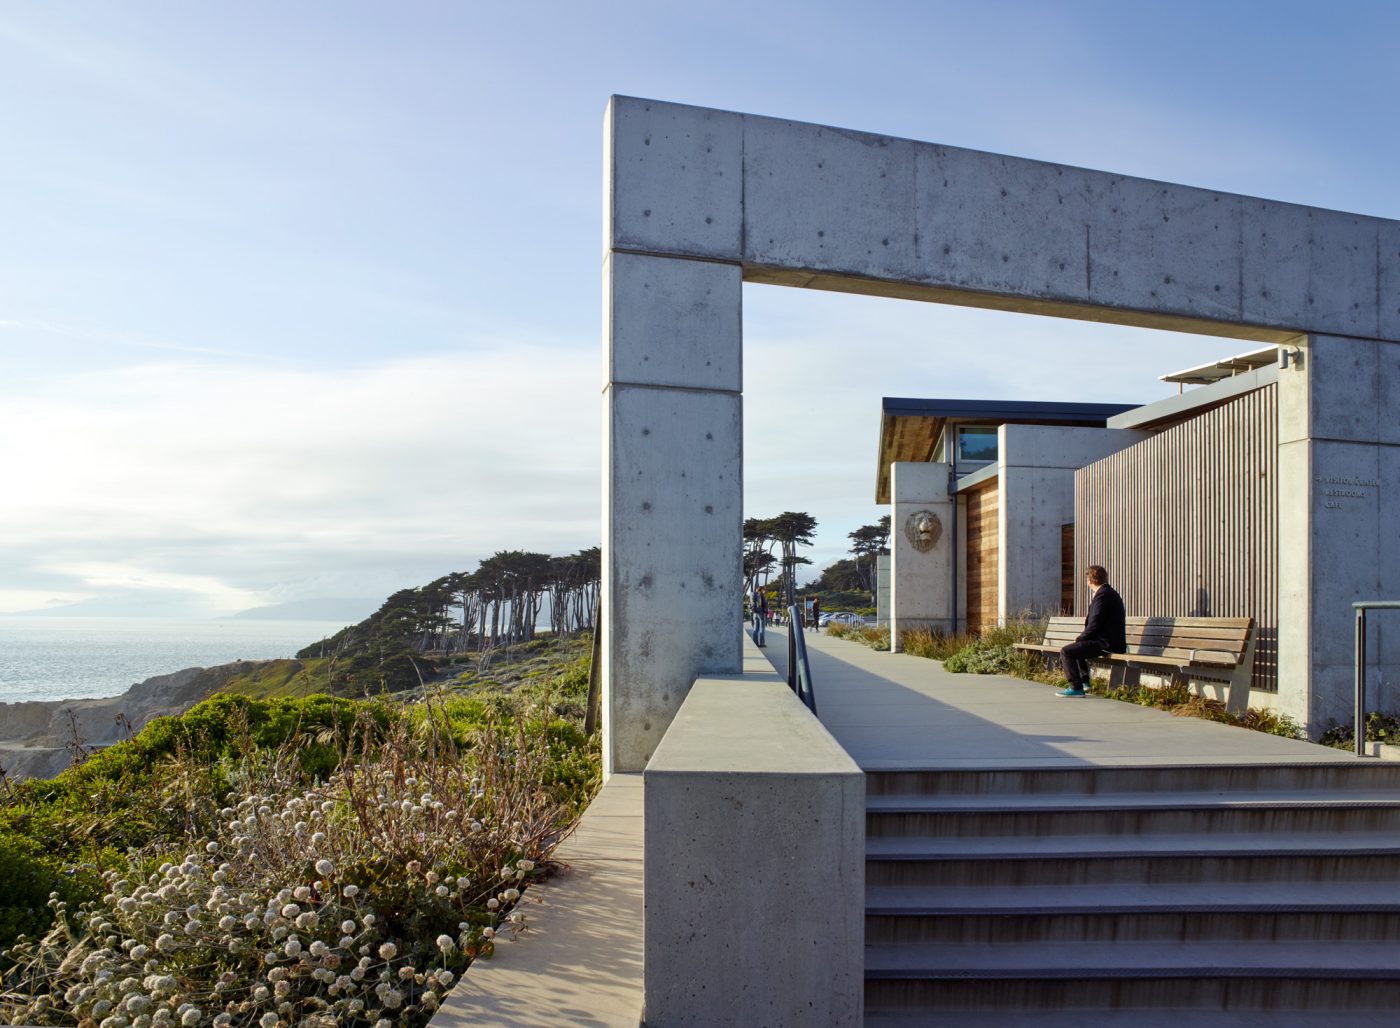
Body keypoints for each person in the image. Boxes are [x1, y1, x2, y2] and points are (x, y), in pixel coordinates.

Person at [1057, 565, 1125, 698]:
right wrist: (1083, 638)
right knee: (1077, 647)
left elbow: (1095, 623)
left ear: (1090, 580)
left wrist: (1082, 637)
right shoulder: (1106, 593)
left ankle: (1076, 687)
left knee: (1067, 652)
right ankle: (1084, 682)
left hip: (1107, 643)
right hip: (1107, 640)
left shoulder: (1103, 595)